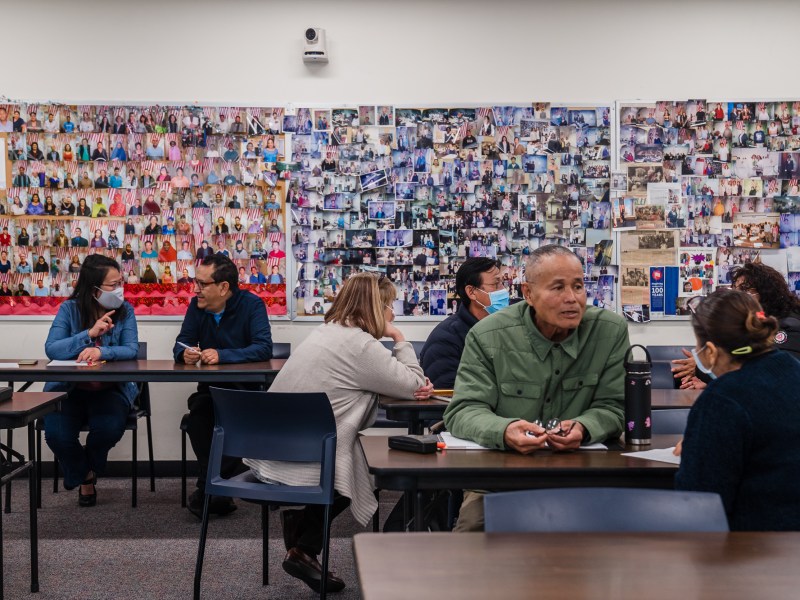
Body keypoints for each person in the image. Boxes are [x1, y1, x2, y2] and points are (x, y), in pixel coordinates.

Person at [245, 273, 429, 592]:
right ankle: (304, 545)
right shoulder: (360, 346)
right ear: (377, 307)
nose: (393, 314)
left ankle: (302, 535)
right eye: (390, 306)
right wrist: (399, 337)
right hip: (298, 459)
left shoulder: (327, 331)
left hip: (271, 450)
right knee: (366, 473)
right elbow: (414, 386)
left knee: (352, 461)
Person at [442, 245, 629, 531]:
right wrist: (504, 430)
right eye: (557, 288)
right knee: (469, 549)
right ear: (528, 294)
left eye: (578, 286)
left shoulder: (609, 332)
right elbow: (464, 410)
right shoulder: (487, 336)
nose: (572, 299)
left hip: (585, 480)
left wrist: (584, 426)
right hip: (499, 483)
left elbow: (614, 406)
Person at [673, 288, 800, 530]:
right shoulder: (793, 370)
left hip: (752, 549)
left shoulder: (722, 398)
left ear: (709, 352)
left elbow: (698, 501)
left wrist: (696, 449)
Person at [173, 254, 273, 519]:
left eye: (203, 284)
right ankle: (217, 490)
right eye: (196, 283)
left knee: (231, 425)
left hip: (246, 394)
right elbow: (181, 342)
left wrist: (223, 354)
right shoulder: (197, 307)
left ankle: (208, 488)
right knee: (198, 420)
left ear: (224, 287)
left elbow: (263, 348)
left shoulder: (252, 305)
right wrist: (185, 355)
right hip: (211, 392)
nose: (196, 289)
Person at [42, 255, 139, 507]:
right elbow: (52, 349)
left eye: (121, 282)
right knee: (57, 435)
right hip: (68, 390)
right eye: (113, 284)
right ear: (94, 288)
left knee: (107, 430)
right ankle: (85, 474)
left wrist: (102, 351)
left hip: (109, 390)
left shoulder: (125, 311)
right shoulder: (69, 309)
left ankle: (81, 473)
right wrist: (89, 335)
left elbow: (131, 349)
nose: (120, 288)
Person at [673, 262, 800, 387]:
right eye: (735, 290)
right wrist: (711, 382)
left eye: (744, 290)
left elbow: (771, 375)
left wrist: (704, 369)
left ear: (767, 293)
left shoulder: (790, 325)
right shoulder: (751, 325)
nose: (736, 297)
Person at [420, 258, 505, 388]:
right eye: (496, 284)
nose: (503, 290)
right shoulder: (445, 339)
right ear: (471, 292)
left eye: (503, 283)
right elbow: (448, 394)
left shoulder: (505, 329)